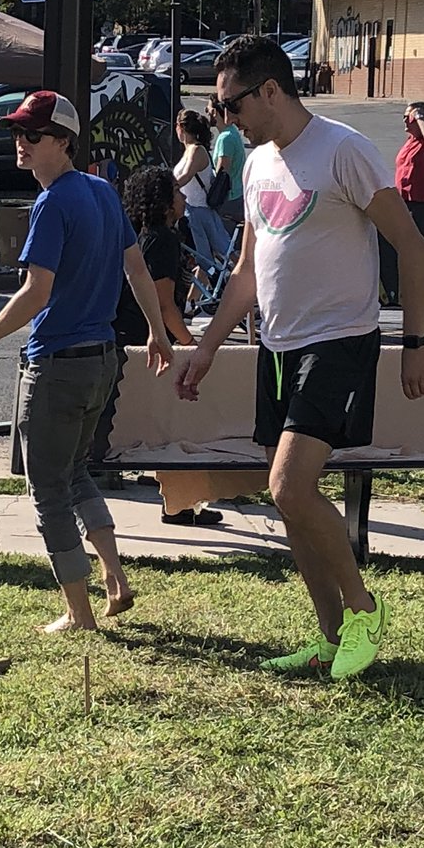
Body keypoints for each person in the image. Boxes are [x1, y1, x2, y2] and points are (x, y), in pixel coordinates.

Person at [176, 35, 424, 680]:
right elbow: (245, 271)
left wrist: (414, 343)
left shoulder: (344, 149)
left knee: (288, 485)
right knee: (291, 500)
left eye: (230, 104)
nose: (225, 119)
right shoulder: (258, 163)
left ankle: (364, 610)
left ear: (270, 91)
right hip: (277, 345)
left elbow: (409, 247)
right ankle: (328, 636)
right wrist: (206, 350)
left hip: (340, 341)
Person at [0, 90, 173, 634]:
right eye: (16, 134)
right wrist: (155, 331)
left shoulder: (53, 203)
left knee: (47, 487)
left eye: (31, 135)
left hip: (56, 363)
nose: (19, 144)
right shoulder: (103, 192)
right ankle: (115, 580)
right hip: (103, 359)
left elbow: (36, 292)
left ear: (62, 141)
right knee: (75, 472)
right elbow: (138, 271)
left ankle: (79, 615)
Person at [109, 165, 224, 527]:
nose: (184, 197)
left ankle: (161, 483)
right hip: (148, 341)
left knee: (156, 420)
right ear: (162, 202)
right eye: (177, 191)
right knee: (180, 424)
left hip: (128, 337)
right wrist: (190, 344)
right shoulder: (162, 239)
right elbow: (164, 304)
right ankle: (179, 505)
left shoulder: (142, 235)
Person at [380, 102, 424, 305]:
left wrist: (421, 118)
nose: (405, 121)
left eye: (410, 117)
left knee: (414, 248)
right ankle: (393, 292)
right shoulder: (409, 142)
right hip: (401, 201)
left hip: (419, 203)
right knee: (388, 243)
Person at [173, 109, 231, 274]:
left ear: (180, 128)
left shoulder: (197, 150)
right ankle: (210, 287)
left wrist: (166, 187)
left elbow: (186, 175)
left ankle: (239, 281)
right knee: (202, 257)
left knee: (213, 255)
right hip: (189, 211)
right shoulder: (189, 150)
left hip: (199, 211)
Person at [206, 94, 246, 231]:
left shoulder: (225, 139)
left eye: (208, 109)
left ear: (215, 112)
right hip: (236, 193)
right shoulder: (231, 132)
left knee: (224, 241)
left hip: (229, 198)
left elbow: (222, 174)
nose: (206, 112)